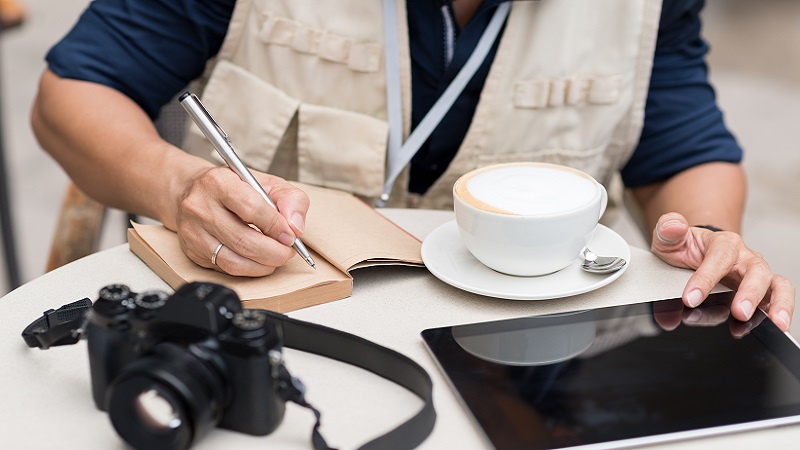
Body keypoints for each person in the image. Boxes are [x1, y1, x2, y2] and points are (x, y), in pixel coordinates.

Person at [31, 0, 795, 331]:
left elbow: (684, 147)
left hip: (512, 360)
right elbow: (73, 95)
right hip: (256, 331)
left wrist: (704, 233)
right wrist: (179, 184)